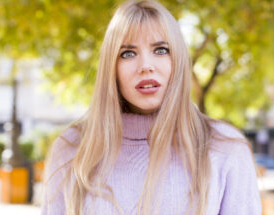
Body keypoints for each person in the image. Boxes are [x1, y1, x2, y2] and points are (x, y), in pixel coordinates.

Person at [41, 0, 262, 214]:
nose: (146, 66)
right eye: (128, 53)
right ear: (111, 68)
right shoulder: (73, 150)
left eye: (161, 50)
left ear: (179, 59)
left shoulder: (225, 148)